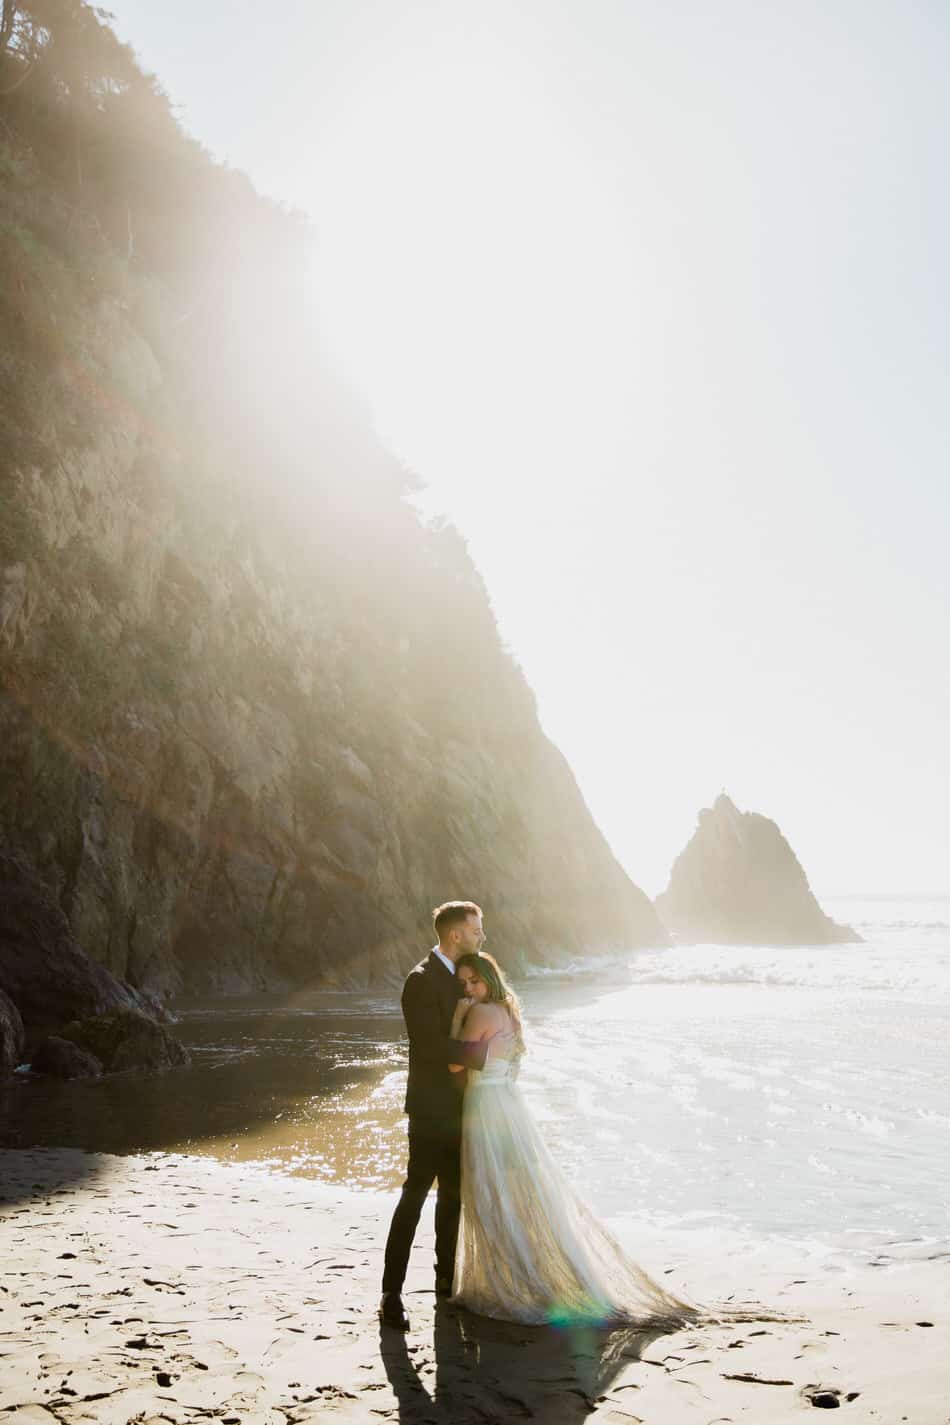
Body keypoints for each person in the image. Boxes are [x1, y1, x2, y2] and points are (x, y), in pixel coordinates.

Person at [448, 949, 692, 1327]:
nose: (468, 989)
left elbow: (455, 1061)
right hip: (510, 1104)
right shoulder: (510, 1012)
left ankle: (505, 1282)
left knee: (490, 1189)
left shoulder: (479, 1013)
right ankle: (525, 1272)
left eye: (474, 981)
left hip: (486, 1107)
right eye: (462, 984)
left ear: (490, 978)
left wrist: (457, 1017)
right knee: (519, 1189)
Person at [379, 901, 491, 1331]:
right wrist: (486, 1054)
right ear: (456, 934)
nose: (483, 936)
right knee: (416, 1193)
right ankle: (391, 1294)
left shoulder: (465, 977)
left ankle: (445, 1286)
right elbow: (428, 1046)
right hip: (429, 1108)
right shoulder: (420, 981)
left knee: (453, 1198)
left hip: (463, 1107)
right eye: (477, 929)